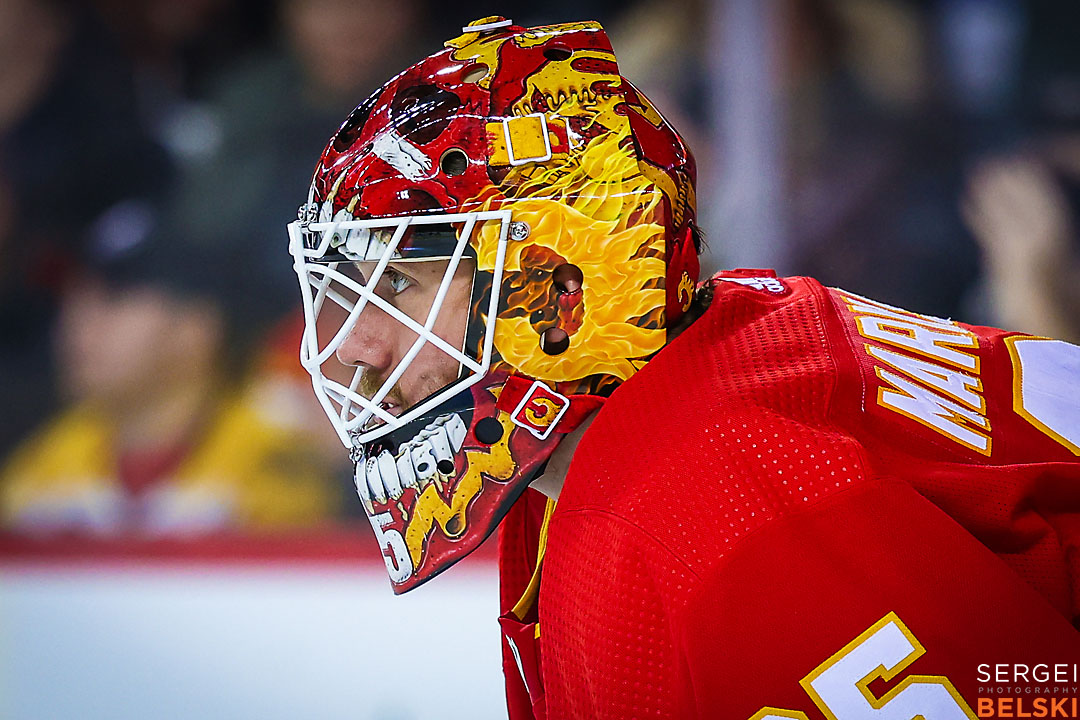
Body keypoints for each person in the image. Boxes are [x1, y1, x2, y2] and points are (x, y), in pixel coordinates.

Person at [286, 17, 1080, 720]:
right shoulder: (715, 350)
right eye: (346, 291)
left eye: (396, 281)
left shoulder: (714, 521)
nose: (351, 347)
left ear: (563, 271)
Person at [1, 215, 341, 534]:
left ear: (195, 328)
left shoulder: (285, 452)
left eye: (114, 299)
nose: (77, 325)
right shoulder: (35, 471)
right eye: (72, 298)